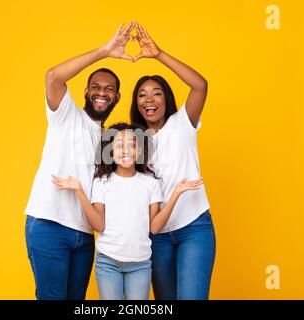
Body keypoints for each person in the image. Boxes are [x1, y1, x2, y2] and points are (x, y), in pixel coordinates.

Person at [24, 22, 137, 300]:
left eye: (109, 89)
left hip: (85, 235)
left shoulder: (111, 142)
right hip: (49, 224)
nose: (102, 92)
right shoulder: (67, 116)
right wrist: (105, 51)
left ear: (117, 96)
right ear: (86, 92)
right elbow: (53, 76)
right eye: (95, 87)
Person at [51, 123, 203, 300]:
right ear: (109, 151)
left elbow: (154, 227)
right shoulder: (101, 183)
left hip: (140, 265)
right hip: (108, 263)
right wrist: (79, 191)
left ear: (139, 150)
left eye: (131, 145)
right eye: (119, 146)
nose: (126, 151)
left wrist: (176, 193)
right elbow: (99, 225)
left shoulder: (151, 184)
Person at [130, 23, 216, 300]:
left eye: (156, 92)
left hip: (194, 227)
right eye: (142, 94)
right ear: (137, 104)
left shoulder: (183, 123)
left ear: (166, 98)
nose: (149, 99)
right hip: (155, 235)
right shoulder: (132, 141)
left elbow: (200, 85)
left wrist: (158, 54)